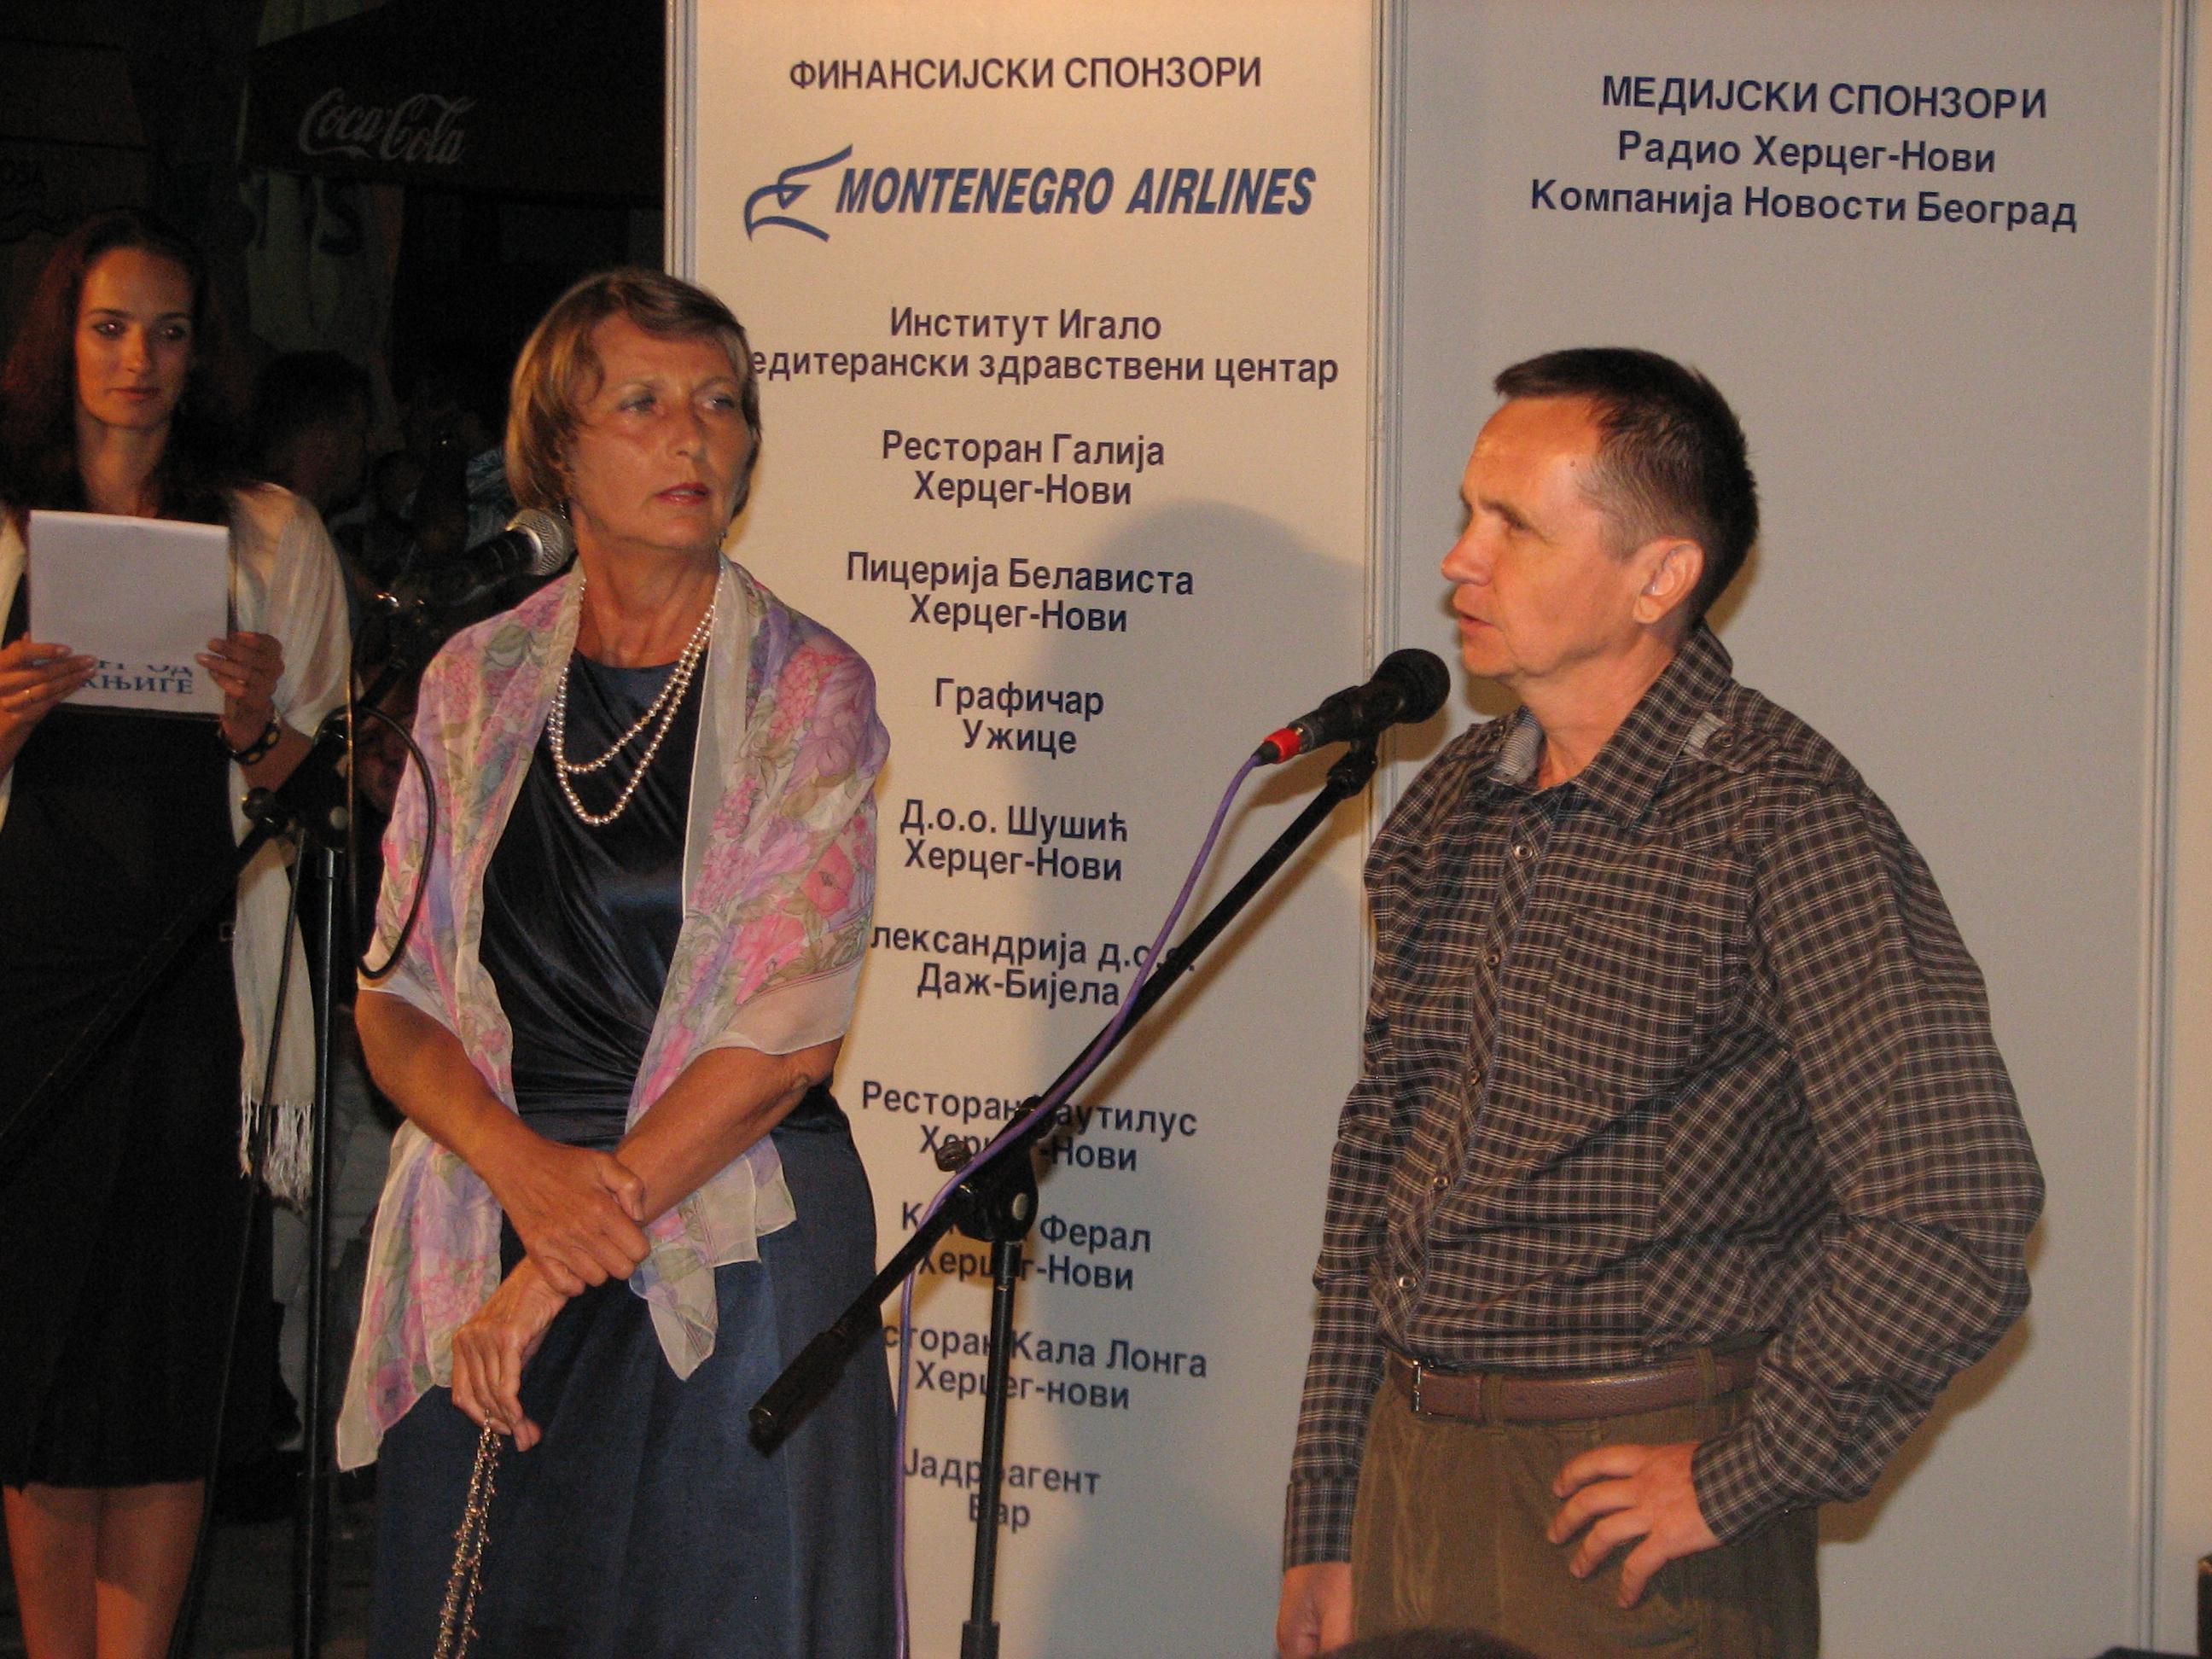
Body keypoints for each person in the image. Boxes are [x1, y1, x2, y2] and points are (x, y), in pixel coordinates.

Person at [1276, 348, 2044, 1658]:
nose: (1460, 561)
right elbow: (1376, 1188)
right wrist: (1329, 1513)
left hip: (1622, 1513)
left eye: (1513, 526)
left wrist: (1745, 1471)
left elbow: (1957, 1202)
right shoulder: (1451, 807)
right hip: (1412, 1475)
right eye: (1466, 515)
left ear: (1659, 576)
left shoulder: (1781, 818)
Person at [336, 268, 894, 1657]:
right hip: (495, 1207)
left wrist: (565, 1252)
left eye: (721, 404)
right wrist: (519, 1174)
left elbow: (787, 1036)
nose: (694, 435)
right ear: (558, 450)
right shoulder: (472, 679)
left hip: (732, 1231)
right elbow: (394, 1000)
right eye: (643, 403)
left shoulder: (808, 688)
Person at [0, 209, 350, 1656]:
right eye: (109, 327)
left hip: (196, 997)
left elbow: (330, 795)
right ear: (60, 341)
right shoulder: (1, 524)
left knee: (164, 1372)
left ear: (201, 354)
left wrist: (259, 727)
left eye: (167, 331)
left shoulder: (268, 534)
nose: (138, 359)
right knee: (39, 1370)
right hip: (27, 1004)